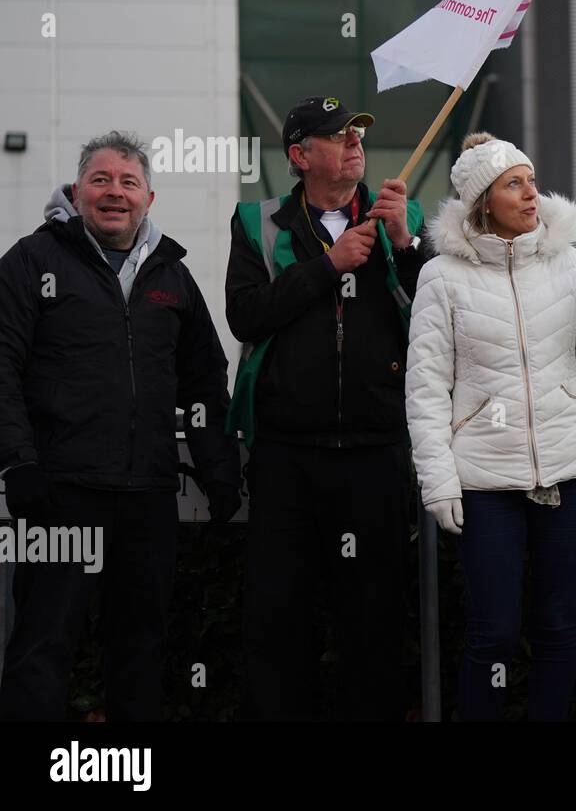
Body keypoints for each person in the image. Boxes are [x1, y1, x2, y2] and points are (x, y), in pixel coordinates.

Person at [0, 131, 240, 720]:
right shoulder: (33, 261)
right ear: (77, 191)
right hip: (61, 492)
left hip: (147, 496)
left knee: (139, 651)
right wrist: (18, 462)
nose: (114, 193)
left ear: (149, 199)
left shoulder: (172, 277)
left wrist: (219, 470)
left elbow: (205, 382)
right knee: (43, 646)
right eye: (101, 180)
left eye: (128, 182)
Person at [405, 131, 576, 721]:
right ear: (483, 201)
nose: (532, 193)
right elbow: (426, 388)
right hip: (484, 482)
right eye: (515, 183)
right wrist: (438, 481)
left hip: (572, 472)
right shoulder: (440, 277)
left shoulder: (568, 262)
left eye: (532, 179)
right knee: (494, 635)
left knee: (559, 627)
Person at [225, 96, 428, 720]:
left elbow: (440, 322)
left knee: (376, 627)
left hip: (376, 454)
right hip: (286, 457)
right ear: (299, 154)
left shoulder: (406, 215)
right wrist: (326, 269)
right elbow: (246, 315)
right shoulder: (257, 221)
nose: (355, 145)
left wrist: (410, 244)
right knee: (278, 626)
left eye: (358, 135)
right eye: (338, 137)